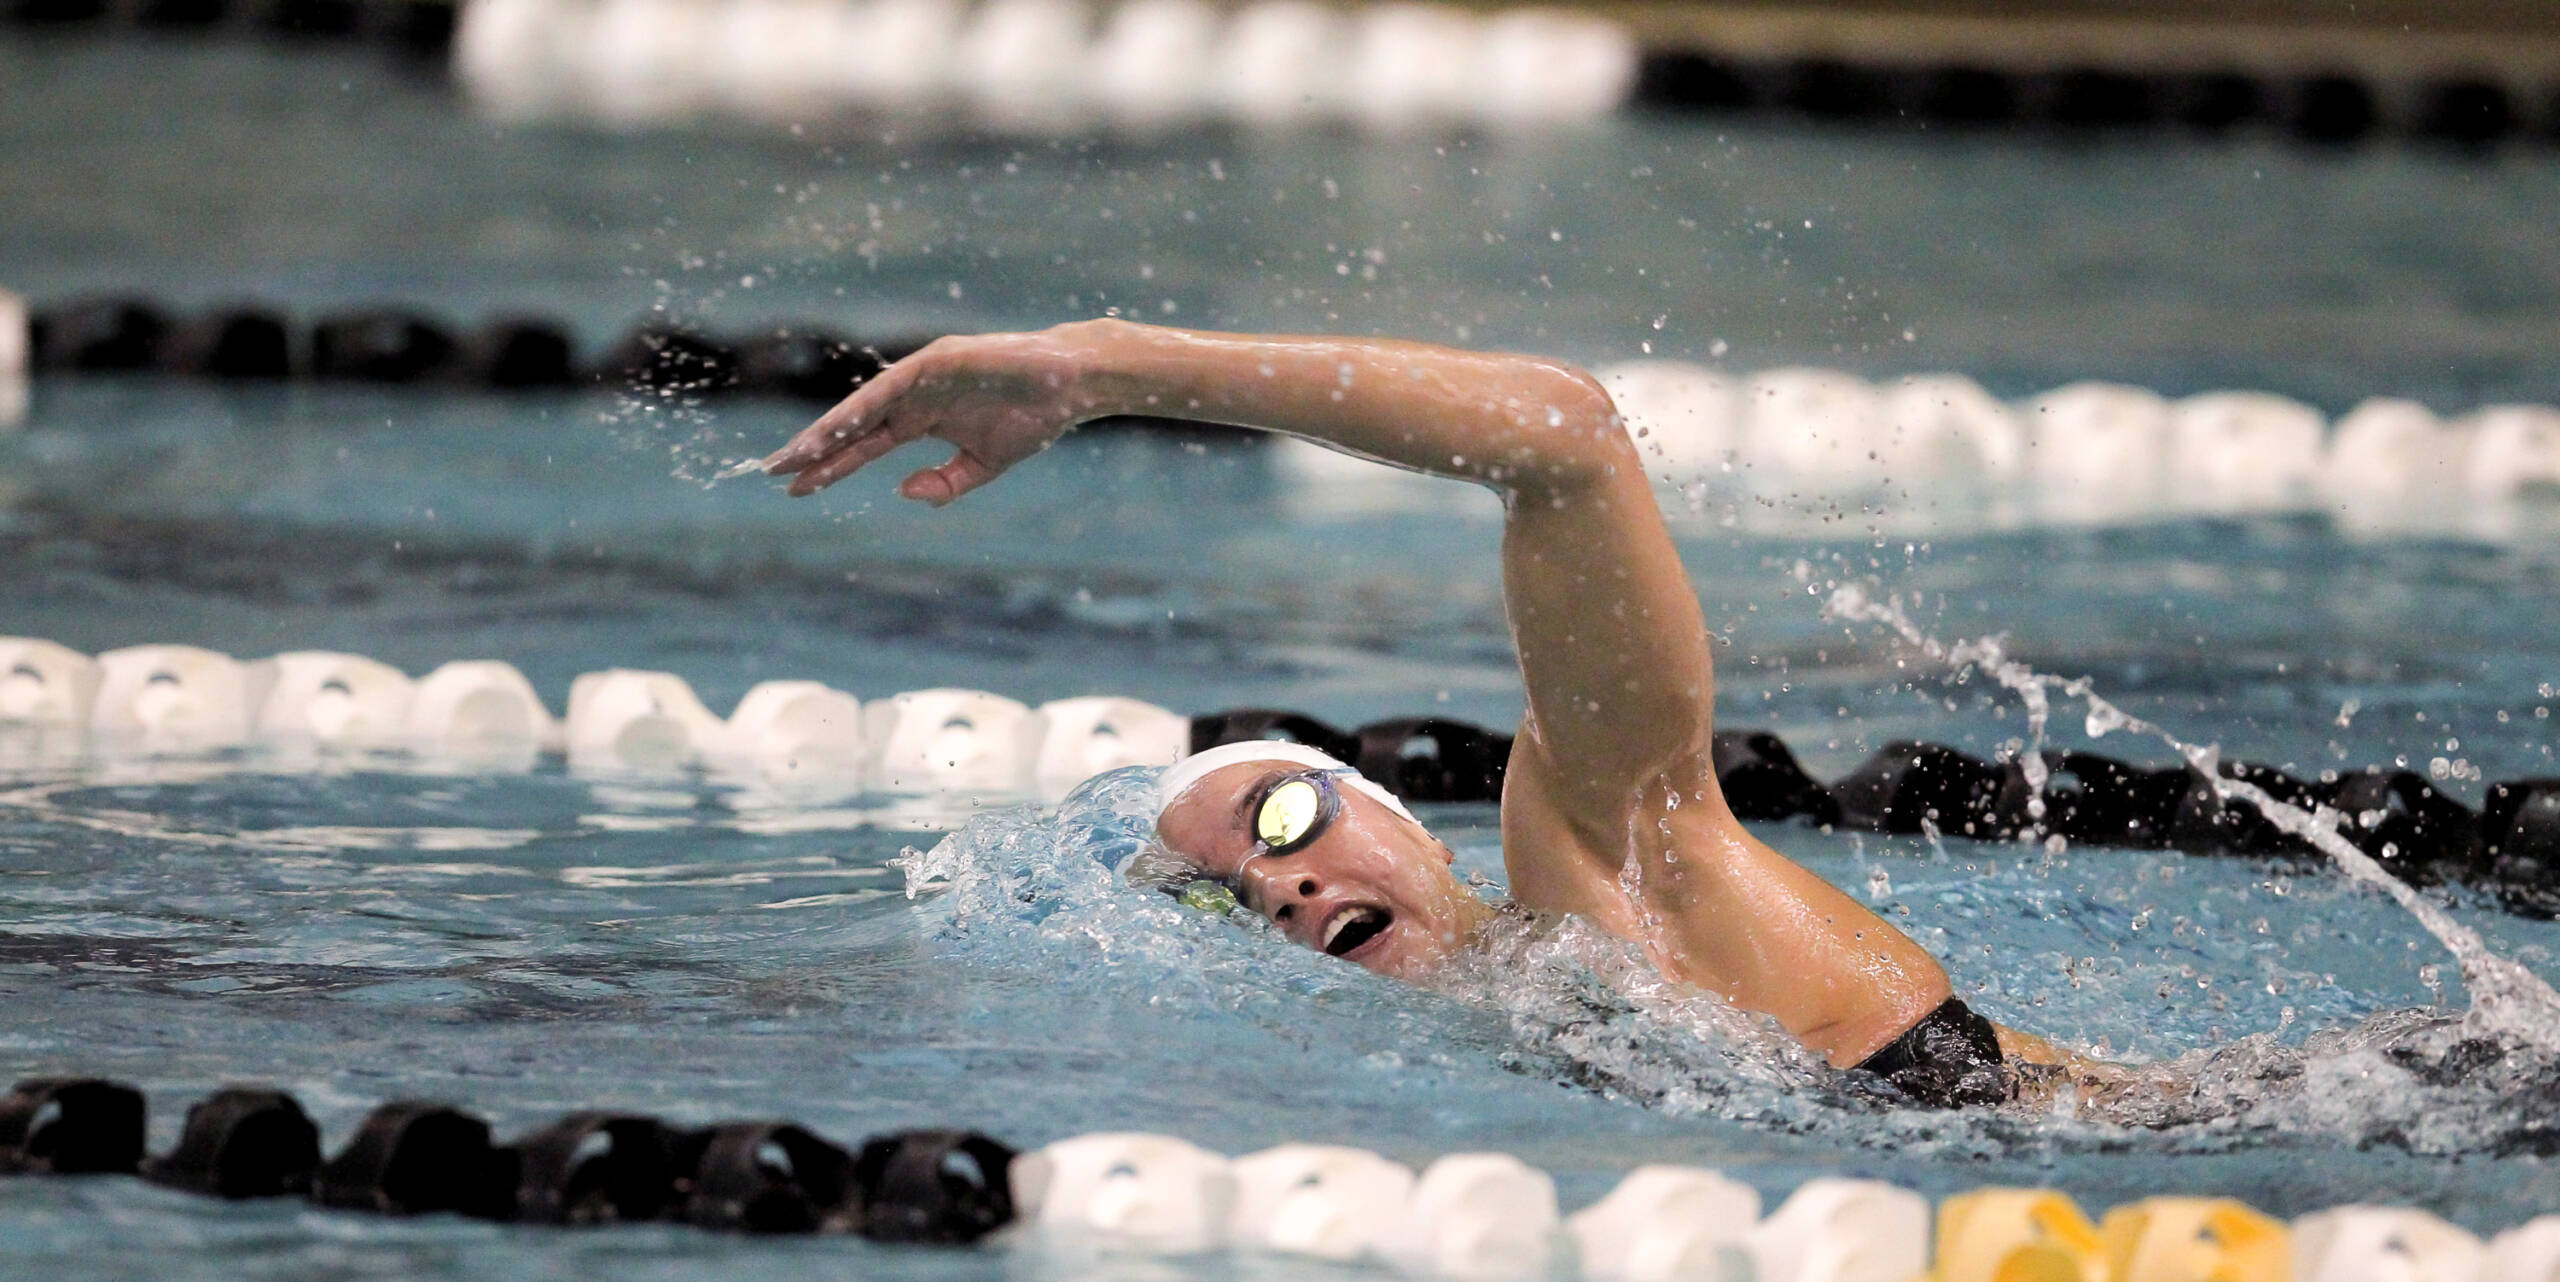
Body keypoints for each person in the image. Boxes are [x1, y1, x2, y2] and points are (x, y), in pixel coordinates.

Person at [764, 318, 2095, 1109]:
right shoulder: (1517, 1042)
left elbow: (1566, 437)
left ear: (1407, 824)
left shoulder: (1608, 860)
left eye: (1279, 818)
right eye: (1223, 899)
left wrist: (1108, 365)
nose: (1277, 887)